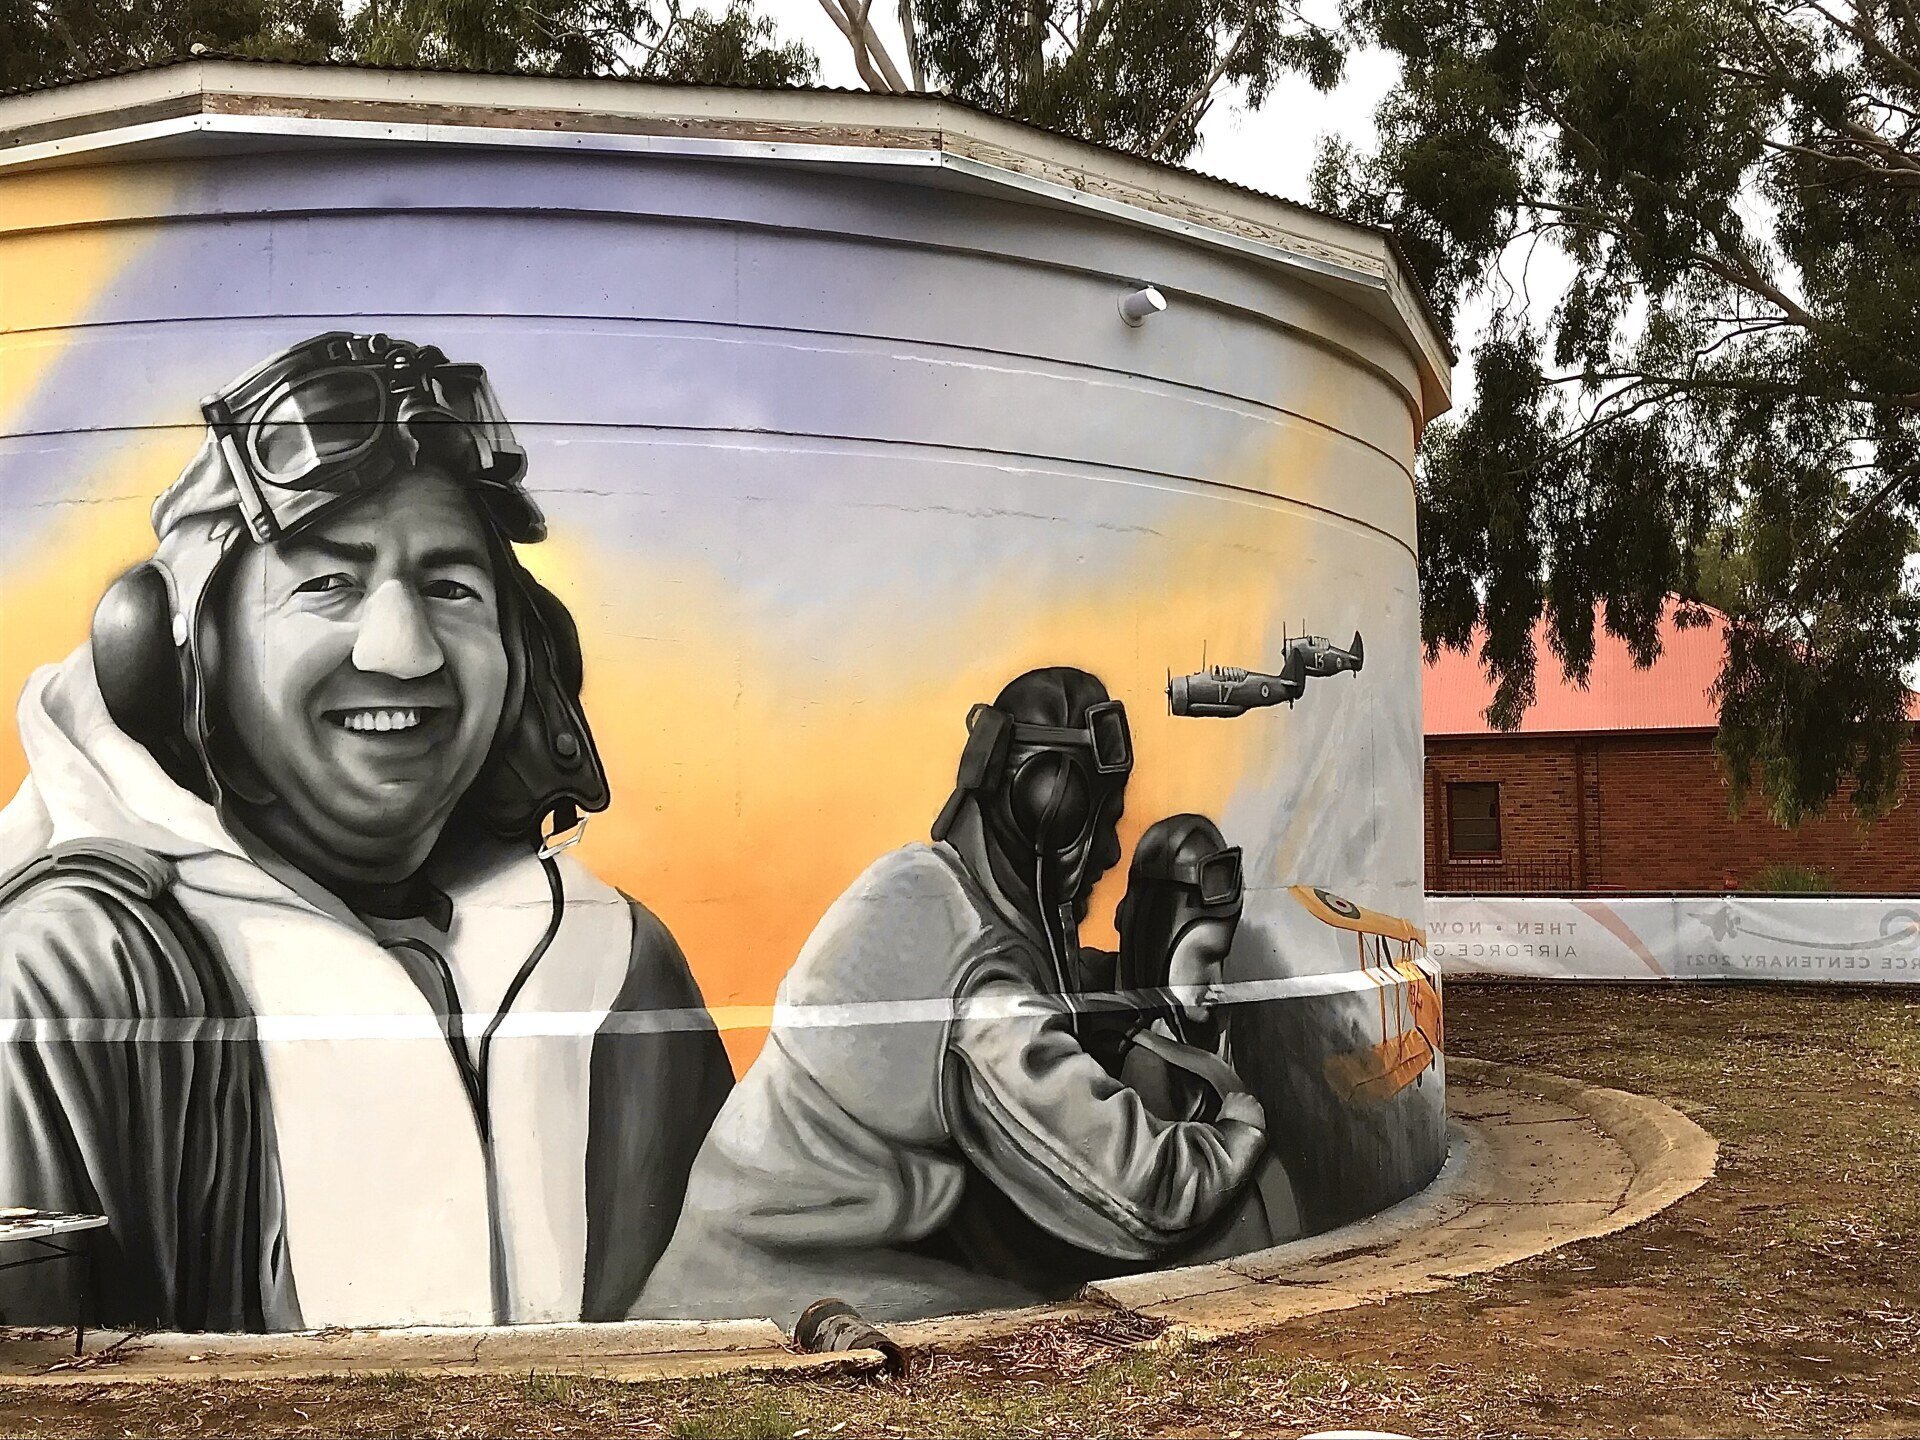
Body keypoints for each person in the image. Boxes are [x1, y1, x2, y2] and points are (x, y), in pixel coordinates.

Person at [0, 332, 732, 1332]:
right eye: (328, 584)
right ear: (177, 659)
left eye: (450, 588)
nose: (403, 653)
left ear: (529, 654)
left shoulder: (612, 964)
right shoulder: (65, 976)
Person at [635, 668, 1272, 1325]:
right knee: (1076, 1328)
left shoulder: (917, 886)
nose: (1110, 852)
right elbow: (1136, 1191)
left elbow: (1036, 991)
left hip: (754, 1260)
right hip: (770, 1297)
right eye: (1101, 821)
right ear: (1046, 808)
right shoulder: (978, 984)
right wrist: (1235, 1132)